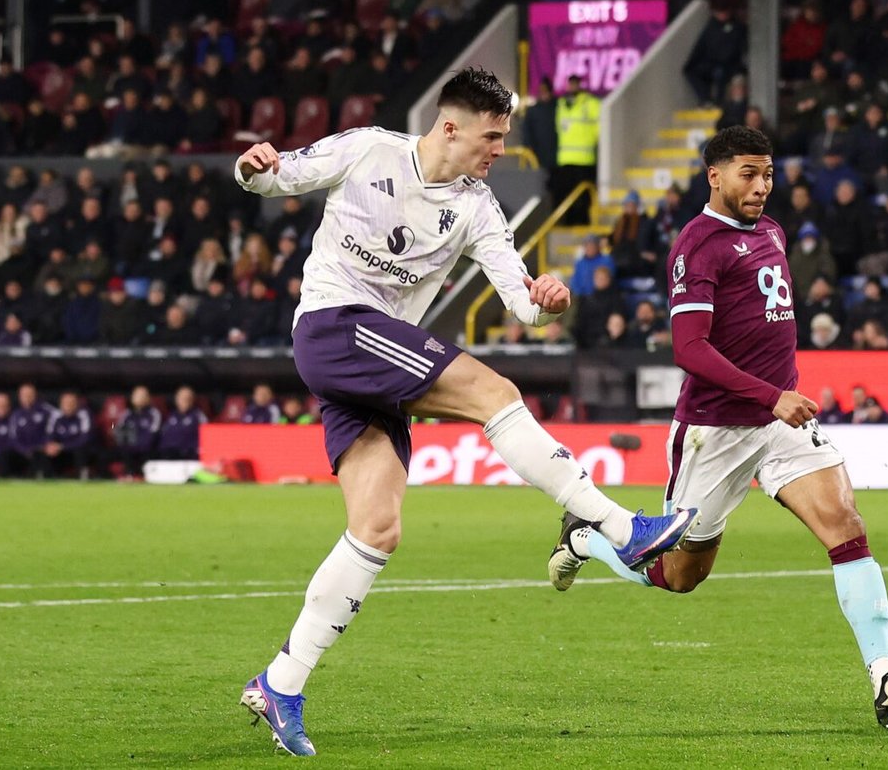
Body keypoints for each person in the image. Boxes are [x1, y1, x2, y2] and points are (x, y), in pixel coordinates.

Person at [232, 67, 696, 756]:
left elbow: (520, 302)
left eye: (503, 136)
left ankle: (282, 681)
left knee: (378, 529)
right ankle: (620, 526)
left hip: (374, 362)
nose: (500, 148)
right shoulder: (369, 149)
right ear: (450, 126)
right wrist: (253, 165)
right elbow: (275, 178)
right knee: (493, 393)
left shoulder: (477, 207)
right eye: (493, 135)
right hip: (334, 326)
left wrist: (544, 301)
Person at [545, 126, 888, 728]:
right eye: (748, 174)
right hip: (715, 430)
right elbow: (690, 349)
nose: (762, 186)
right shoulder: (696, 245)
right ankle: (586, 539)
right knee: (678, 576)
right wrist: (770, 396)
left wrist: (779, 398)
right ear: (715, 176)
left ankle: (885, 678)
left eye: (769, 174)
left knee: (846, 527)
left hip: (780, 422)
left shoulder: (773, 232)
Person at [553, 74, 600, 225]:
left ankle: (583, 221)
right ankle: (569, 221)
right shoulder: (561, 104)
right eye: (570, 84)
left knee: (583, 197)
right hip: (565, 158)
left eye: (575, 84)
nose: (572, 87)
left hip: (584, 159)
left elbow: (599, 129)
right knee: (567, 194)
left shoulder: (590, 103)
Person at [114, 384, 162, 479]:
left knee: (148, 452)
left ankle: (144, 477)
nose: (139, 398)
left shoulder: (154, 414)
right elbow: (120, 433)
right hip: (130, 449)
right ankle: (127, 476)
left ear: (148, 398)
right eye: (137, 395)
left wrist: (136, 446)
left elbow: (152, 435)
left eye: (143, 396)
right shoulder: (127, 414)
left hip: (146, 449)